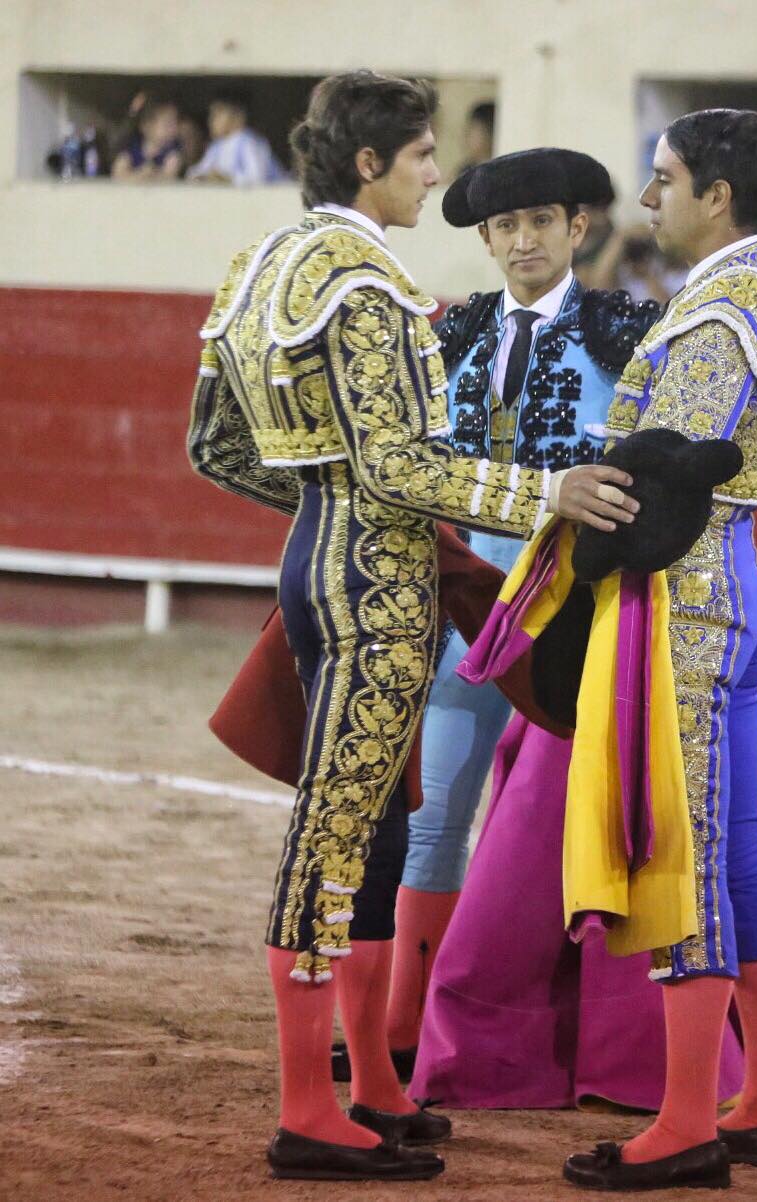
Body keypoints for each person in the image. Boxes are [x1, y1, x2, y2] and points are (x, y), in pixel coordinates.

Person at [187, 68, 637, 1184]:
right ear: (370, 164)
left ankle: (375, 1086)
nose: (439, 175)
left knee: (380, 820)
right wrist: (546, 496)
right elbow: (400, 464)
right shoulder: (372, 287)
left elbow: (216, 444)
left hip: (322, 559)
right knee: (339, 832)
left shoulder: (262, 266)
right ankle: (307, 1109)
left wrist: (326, 505)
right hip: (380, 581)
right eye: (426, 156)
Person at [381, 147, 741, 1111]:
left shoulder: (632, 328)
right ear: (488, 239)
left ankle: (585, 1041)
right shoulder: (447, 331)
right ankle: (403, 1033)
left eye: (540, 221)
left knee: (570, 834)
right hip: (466, 608)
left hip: (578, 618)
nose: (520, 241)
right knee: (435, 823)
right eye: (503, 227)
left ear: (576, 228)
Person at [560, 107, 757, 1191]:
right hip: (739, 579)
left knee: (689, 852)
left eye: (662, 178)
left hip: (685, 598)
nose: (647, 198)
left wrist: (569, 546)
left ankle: (685, 1120)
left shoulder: (719, 315)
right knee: (740, 846)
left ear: (714, 193)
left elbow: (657, 481)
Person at [187, 89, 286, 185]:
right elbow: (199, 170)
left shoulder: (249, 142)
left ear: (239, 117)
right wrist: (201, 176)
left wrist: (227, 178)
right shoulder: (217, 146)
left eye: (217, 114)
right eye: (211, 114)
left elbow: (257, 178)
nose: (211, 120)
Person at [111, 95, 182, 181]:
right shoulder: (131, 148)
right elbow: (117, 175)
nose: (174, 129)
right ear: (145, 127)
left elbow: (170, 177)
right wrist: (140, 175)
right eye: (168, 125)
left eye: (176, 123)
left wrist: (153, 175)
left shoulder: (173, 152)